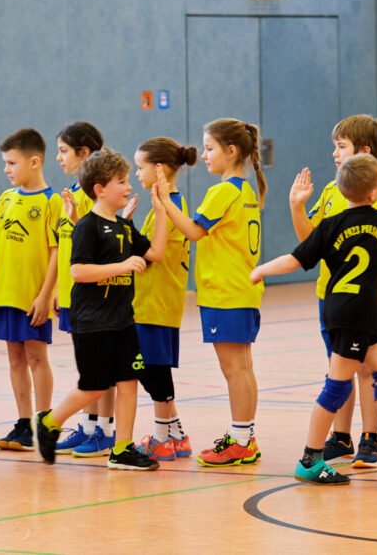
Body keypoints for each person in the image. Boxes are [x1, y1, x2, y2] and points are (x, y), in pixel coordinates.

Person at [250, 154, 377, 485]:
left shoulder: (331, 223)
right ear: (374, 192)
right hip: (357, 316)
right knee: (337, 387)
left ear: (341, 189)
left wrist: (263, 268)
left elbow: (296, 259)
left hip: (345, 313)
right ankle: (309, 458)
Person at [34, 147, 168, 471]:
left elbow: (157, 252)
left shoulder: (124, 227)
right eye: (121, 181)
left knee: (128, 382)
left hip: (122, 320)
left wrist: (161, 208)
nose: (127, 186)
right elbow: (78, 271)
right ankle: (49, 422)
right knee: (93, 387)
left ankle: (121, 449)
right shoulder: (88, 226)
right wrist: (121, 267)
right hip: (92, 321)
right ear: (99, 189)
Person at [287, 114, 377, 467]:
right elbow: (310, 242)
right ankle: (341, 437)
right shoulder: (335, 190)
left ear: (363, 151)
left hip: (368, 301)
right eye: (334, 145)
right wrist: (297, 206)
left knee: (368, 370)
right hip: (332, 297)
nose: (334, 152)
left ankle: (370, 439)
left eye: (341, 146)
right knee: (340, 367)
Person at [158, 118, 264, 467]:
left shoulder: (222, 191)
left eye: (209, 148)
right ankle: (244, 437)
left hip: (225, 293)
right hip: (243, 291)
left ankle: (241, 440)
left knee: (234, 369)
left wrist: (164, 200)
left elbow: (192, 230)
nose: (203, 155)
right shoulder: (246, 190)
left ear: (231, 151)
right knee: (243, 367)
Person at [0, 128, 61, 451]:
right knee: (15, 359)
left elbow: (57, 252)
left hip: (32, 295)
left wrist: (45, 295)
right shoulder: (6, 198)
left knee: (35, 356)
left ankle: (43, 422)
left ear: (35, 162)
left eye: (11, 162)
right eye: (4, 163)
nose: (6, 169)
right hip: (4, 292)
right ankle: (22, 423)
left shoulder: (52, 201)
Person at [129, 137, 196, 461]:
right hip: (161, 301)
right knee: (154, 369)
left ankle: (161, 438)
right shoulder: (171, 204)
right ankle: (177, 434)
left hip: (154, 302)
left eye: (139, 167)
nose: (135, 173)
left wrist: (120, 227)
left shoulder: (167, 208)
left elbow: (149, 252)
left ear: (157, 169)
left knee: (150, 371)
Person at [53, 121, 116, 456]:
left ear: (85, 153)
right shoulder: (71, 194)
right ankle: (90, 426)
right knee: (87, 366)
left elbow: (103, 246)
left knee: (101, 367)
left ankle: (105, 430)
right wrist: (58, 291)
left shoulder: (99, 196)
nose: (59, 158)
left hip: (98, 296)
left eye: (64, 151)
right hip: (73, 295)